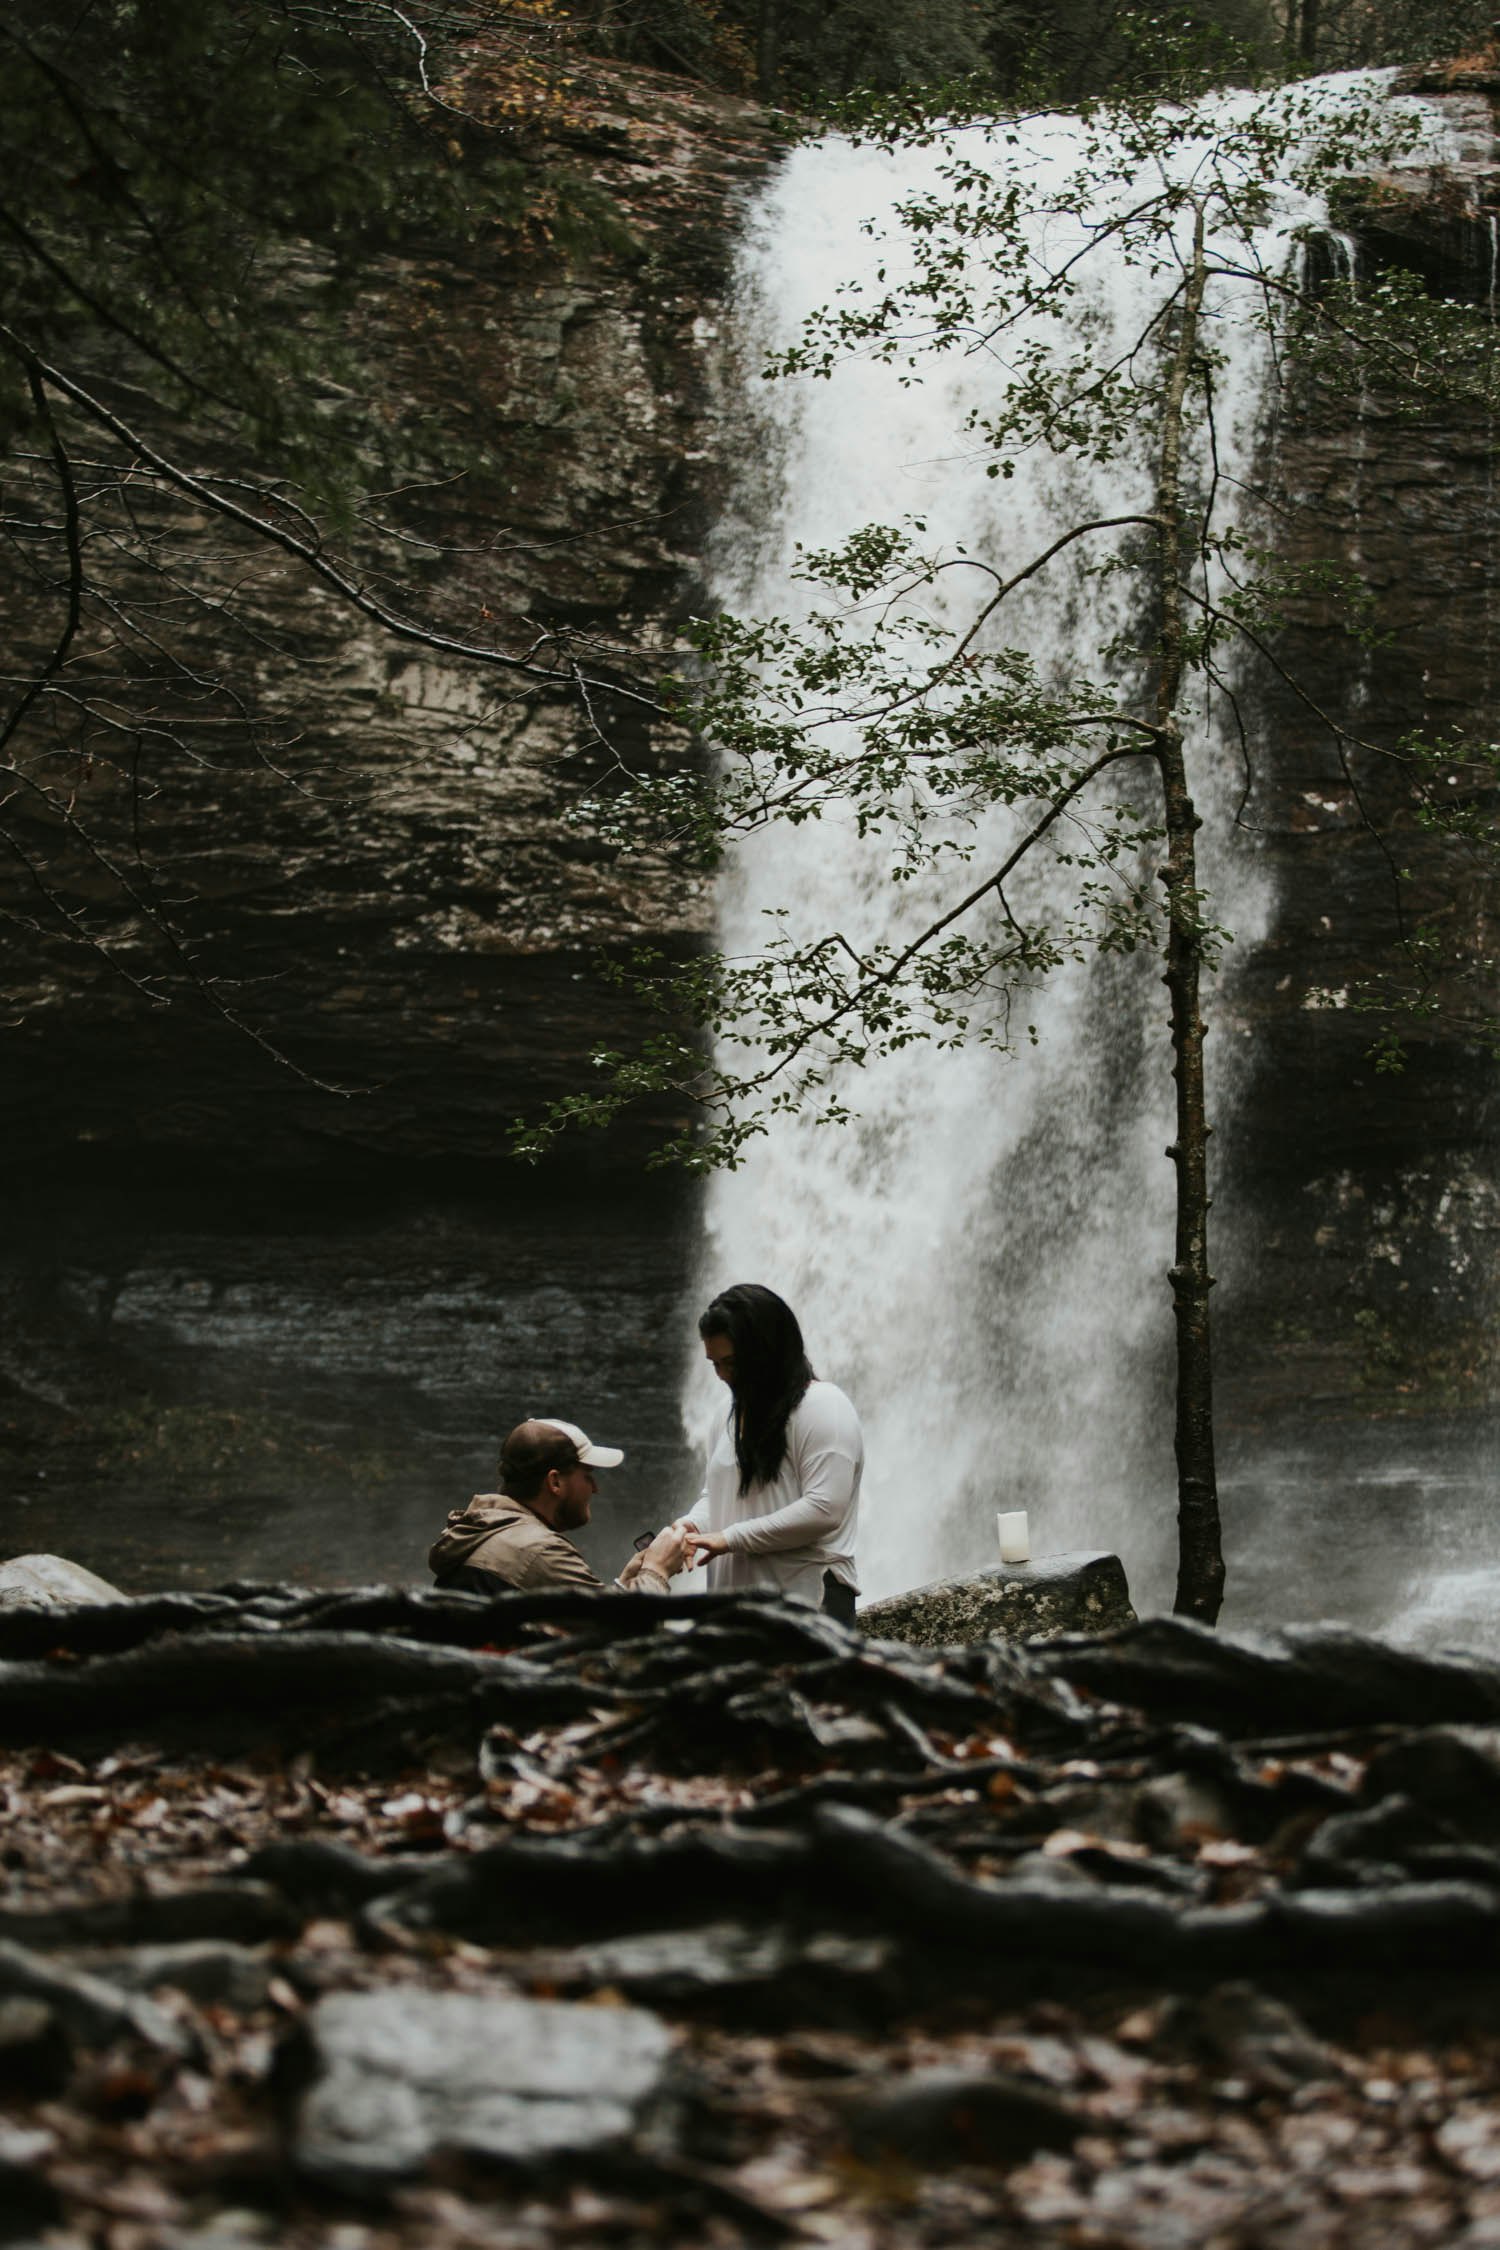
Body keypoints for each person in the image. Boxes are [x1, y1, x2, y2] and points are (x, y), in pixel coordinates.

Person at [682, 1283, 862, 1623]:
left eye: (731, 1362)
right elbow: (718, 1496)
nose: (722, 1375)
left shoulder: (823, 1406)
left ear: (765, 1351)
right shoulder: (726, 1412)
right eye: (714, 1364)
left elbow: (825, 1510)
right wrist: (689, 1527)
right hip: (734, 1615)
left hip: (809, 1610)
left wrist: (730, 1538)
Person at [428, 1417, 689, 1594]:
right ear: (555, 1482)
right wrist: (657, 1570)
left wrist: (625, 1583)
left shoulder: (483, 1533)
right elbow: (628, 1630)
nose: (595, 1489)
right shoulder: (539, 1550)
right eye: (588, 1476)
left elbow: (587, 1618)